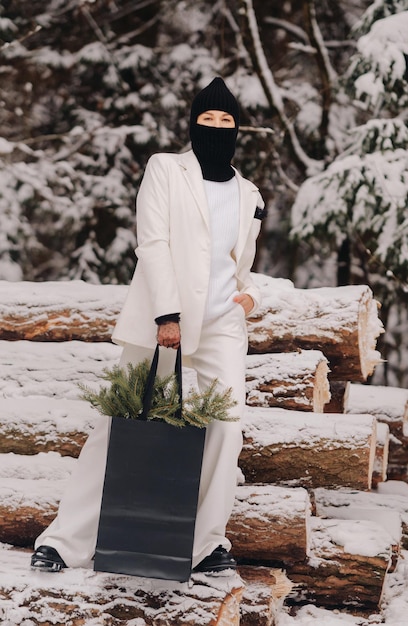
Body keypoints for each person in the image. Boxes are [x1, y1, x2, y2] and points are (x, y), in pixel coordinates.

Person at [31, 76, 266, 574]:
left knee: (226, 428)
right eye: (209, 119)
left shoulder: (249, 192)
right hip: (166, 318)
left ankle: (206, 544)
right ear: (192, 123)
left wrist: (250, 297)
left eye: (228, 121)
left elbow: (237, 261)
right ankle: (64, 542)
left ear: (238, 129)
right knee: (121, 424)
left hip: (223, 319)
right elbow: (152, 242)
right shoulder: (166, 169)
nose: (218, 127)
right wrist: (168, 313)